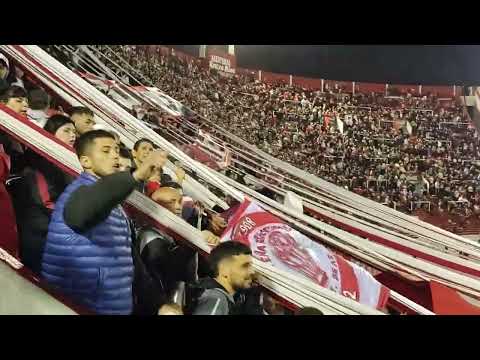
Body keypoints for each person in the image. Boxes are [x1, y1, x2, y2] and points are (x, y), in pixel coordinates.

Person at [41, 130, 167, 315]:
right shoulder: (78, 193)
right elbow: (89, 205)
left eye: (116, 149)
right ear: (85, 161)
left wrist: (158, 303)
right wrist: (136, 176)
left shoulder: (115, 206)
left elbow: (128, 260)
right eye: (106, 150)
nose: (114, 154)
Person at [13, 115, 76, 274]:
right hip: (41, 237)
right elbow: (47, 202)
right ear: (51, 133)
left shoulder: (64, 162)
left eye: (74, 131)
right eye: (67, 130)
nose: (73, 135)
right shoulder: (40, 163)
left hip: (54, 232)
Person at [191, 241, 256, 315]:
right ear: (224, 270)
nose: (252, 271)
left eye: (251, 265)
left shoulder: (206, 290)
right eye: (245, 266)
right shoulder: (216, 298)